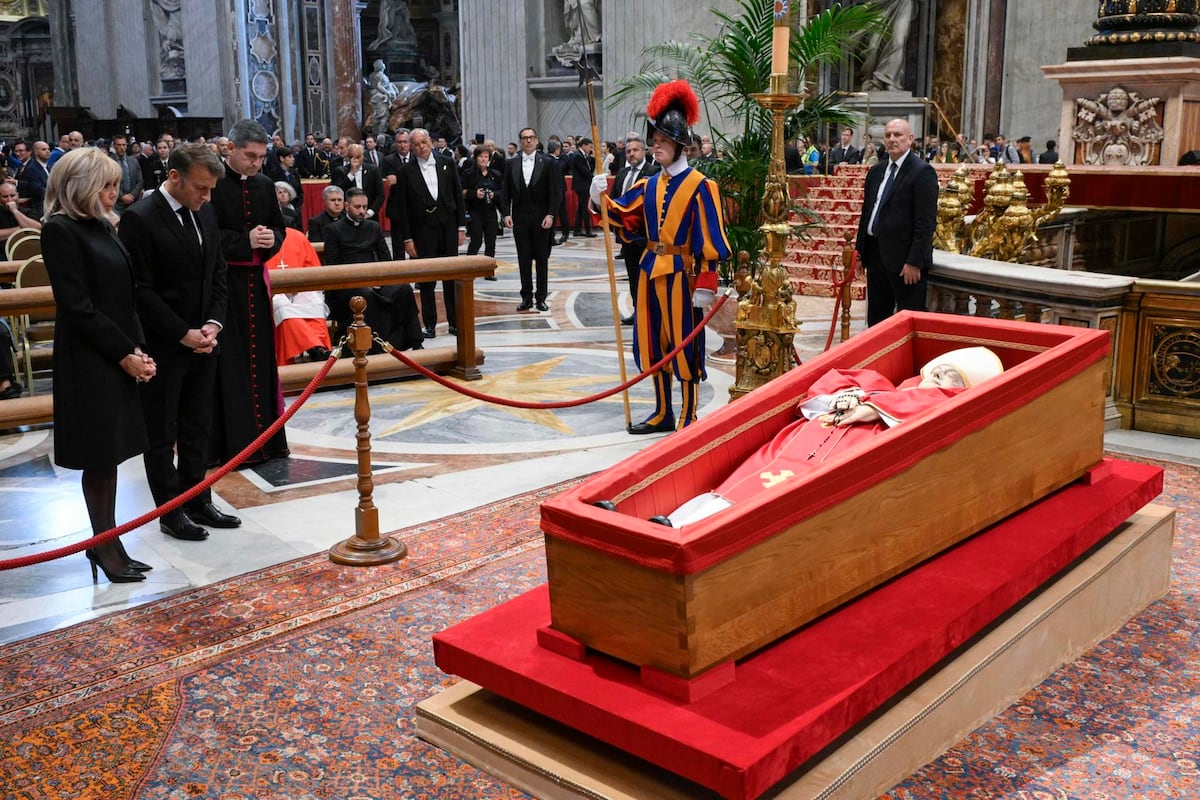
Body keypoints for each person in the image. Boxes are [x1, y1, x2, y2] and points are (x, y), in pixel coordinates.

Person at [641, 347, 1004, 527]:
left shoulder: (936, 406)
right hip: (800, 442)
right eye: (941, 370)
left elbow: (934, 408)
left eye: (952, 378)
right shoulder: (879, 384)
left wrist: (876, 409)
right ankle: (672, 525)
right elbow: (827, 387)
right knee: (738, 485)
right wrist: (848, 398)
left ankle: (689, 533)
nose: (941, 378)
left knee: (770, 505)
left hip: (840, 458)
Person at [41, 147, 158, 582]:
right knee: (99, 455)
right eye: (106, 185)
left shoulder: (103, 225)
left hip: (116, 351)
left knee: (112, 454)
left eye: (115, 184)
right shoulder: (59, 230)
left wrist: (137, 348)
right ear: (81, 186)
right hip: (89, 358)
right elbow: (77, 306)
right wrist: (123, 353)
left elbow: (126, 295)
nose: (114, 192)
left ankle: (111, 541)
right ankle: (103, 545)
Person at [590, 79, 732, 433]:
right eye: (653, 140)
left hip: (683, 277)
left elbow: (710, 237)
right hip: (649, 272)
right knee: (653, 341)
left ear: (680, 145)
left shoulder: (702, 186)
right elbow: (623, 215)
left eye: (662, 141)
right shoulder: (649, 185)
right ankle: (662, 412)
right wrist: (597, 197)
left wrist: (706, 282)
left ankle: (688, 413)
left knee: (684, 344)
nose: (656, 146)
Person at [120, 143, 240, 543]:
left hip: (204, 340)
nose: (207, 197)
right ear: (174, 176)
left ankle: (198, 498)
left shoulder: (204, 210)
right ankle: (170, 511)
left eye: (210, 190)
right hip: (164, 344)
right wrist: (181, 332)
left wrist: (213, 324)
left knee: (198, 426)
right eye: (201, 188)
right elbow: (141, 289)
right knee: (161, 433)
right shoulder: (140, 218)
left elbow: (217, 272)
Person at [210, 118, 289, 467]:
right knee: (230, 364)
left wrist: (272, 239)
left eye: (261, 157)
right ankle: (233, 446)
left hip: (256, 284)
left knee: (261, 362)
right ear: (231, 149)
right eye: (250, 156)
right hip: (224, 286)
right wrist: (245, 241)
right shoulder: (212, 183)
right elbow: (207, 236)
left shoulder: (265, 185)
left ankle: (267, 444)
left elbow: (279, 228)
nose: (257, 164)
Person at [856, 118, 938, 327]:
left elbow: (925, 222)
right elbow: (867, 213)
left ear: (910, 139)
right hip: (876, 256)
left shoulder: (922, 172)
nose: (892, 139)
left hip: (905, 262)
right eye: (888, 135)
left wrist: (914, 261)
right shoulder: (876, 171)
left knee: (908, 324)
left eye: (898, 135)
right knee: (877, 322)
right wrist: (861, 253)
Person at [324, 187, 423, 351]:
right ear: (347, 206)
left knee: (404, 289)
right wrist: (363, 281)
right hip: (347, 285)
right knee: (365, 294)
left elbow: (386, 260)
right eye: (357, 207)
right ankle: (375, 347)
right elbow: (333, 267)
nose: (362, 211)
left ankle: (415, 342)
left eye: (364, 207)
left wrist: (379, 279)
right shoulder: (334, 230)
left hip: (376, 280)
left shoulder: (374, 227)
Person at [392, 127, 467, 338]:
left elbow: (457, 196)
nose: (421, 147)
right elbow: (403, 209)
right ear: (411, 148)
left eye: (423, 142)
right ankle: (430, 324)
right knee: (426, 279)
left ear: (431, 142)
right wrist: (408, 239)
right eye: (415, 144)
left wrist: (461, 227)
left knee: (451, 277)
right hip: (422, 231)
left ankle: (454, 322)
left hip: (448, 227)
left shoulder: (447, 163)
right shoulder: (405, 172)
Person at [501, 127, 561, 313]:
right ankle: (526, 297)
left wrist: (551, 215)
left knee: (542, 259)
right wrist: (506, 213)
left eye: (531, 137)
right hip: (519, 217)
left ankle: (541, 297)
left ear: (536, 140)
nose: (528, 141)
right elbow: (505, 191)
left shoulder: (548, 162)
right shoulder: (511, 163)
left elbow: (555, 192)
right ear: (520, 141)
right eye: (524, 138)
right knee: (523, 258)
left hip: (542, 217)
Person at [611, 134, 659, 324]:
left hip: (646, 236)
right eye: (628, 151)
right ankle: (638, 310)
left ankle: (650, 313)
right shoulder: (622, 173)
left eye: (635, 150)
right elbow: (615, 199)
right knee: (632, 276)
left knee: (647, 276)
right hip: (626, 236)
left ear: (644, 151)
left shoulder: (654, 172)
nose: (631, 154)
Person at [267, 227, 333, 365]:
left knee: (314, 301)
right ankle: (314, 346)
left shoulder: (297, 236)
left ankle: (320, 348)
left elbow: (313, 270)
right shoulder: (260, 236)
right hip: (271, 291)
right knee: (281, 305)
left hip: (299, 288)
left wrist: (297, 285)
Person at [461, 146, 502, 267]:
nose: (483, 159)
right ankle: (469, 267)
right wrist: (474, 193)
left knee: (491, 242)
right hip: (475, 211)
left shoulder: (495, 174)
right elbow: (461, 191)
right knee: (476, 240)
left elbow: (502, 192)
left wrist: (494, 195)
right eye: (481, 156)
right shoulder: (468, 173)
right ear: (476, 158)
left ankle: (489, 270)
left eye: (486, 157)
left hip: (490, 211)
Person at [332, 143, 384, 219]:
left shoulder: (373, 170)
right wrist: (351, 173)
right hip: (347, 216)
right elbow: (338, 193)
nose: (355, 160)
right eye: (352, 157)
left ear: (363, 156)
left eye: (358, 157)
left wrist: (370, 213)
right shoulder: (340, 171)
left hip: (370, 215)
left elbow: (380, 194)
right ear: (348, 157)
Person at [568, 138, 597, 238]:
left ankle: (577, 229)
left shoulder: (584, 156)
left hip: (584, 184)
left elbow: (590, 170)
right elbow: (585, 172)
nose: (591, 149)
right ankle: (588, 230)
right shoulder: (578, 156)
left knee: (581, 207)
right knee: (585, 208)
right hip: (581, 185)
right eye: (590, 147)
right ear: (583, 145)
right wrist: (594, 179)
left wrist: (593, 159)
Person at [0, 180, 41, 248]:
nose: (10, 200)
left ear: (17, 195)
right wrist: (22, 229)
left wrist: (15, 211)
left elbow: (36, 229)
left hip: (27, 249)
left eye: (12, 195)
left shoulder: (28, 211)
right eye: (5, 196)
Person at [110, 134, 143, 214]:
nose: (122, 148)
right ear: (114, 146)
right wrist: (122, 197)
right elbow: (108, 182)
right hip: (116, 202)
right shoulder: (109, 162)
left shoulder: (134, 161)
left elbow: (140, 181)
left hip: (133, 201)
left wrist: (132, 195)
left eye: (124, 145)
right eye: (119, 145)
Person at [17, 140, 50, 218]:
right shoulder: (32, 168)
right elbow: (37, 190)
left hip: (49, 204)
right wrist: (55, 192)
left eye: (48, 149)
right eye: (44, 149)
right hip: (40, 207)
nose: (48, 151)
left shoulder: (47, 166)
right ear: (36, 152)